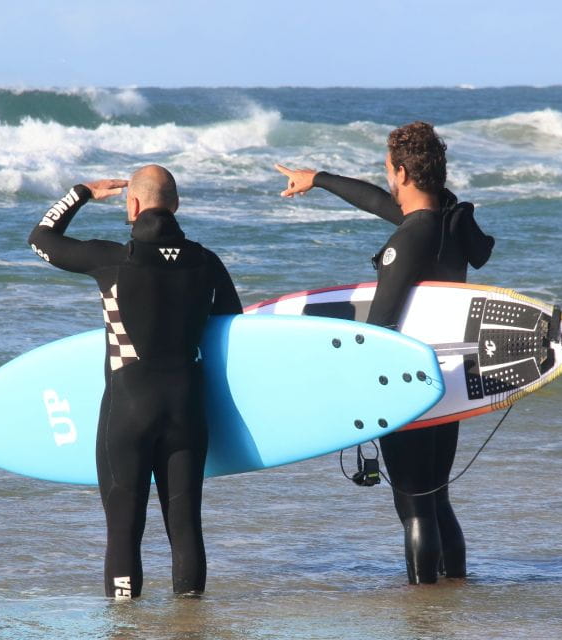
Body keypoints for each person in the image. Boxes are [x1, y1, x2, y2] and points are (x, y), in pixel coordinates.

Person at [275, 122, 495, 584]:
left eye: (388, 171)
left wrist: (353, 388)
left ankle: (423, 607)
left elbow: (379, 329)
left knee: (413, 504)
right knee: (436, 496)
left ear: (401, 172)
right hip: (447, 380)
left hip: (406, 383)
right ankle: (455, 591)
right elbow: (380, 202)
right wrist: (319, 178)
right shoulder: (447, 224)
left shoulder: (409, 238)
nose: (387, 181)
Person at [28, 164, 242, 599]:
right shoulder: (207, 262)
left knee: (124, 530)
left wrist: (82, 193)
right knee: (185, 527)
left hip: (129, 409)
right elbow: (232, 329)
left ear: (134, 204)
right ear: (176, 205)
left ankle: (126, 626)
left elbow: (41, 239)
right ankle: (189, 625)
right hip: (186, 410)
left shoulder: (112, 260)